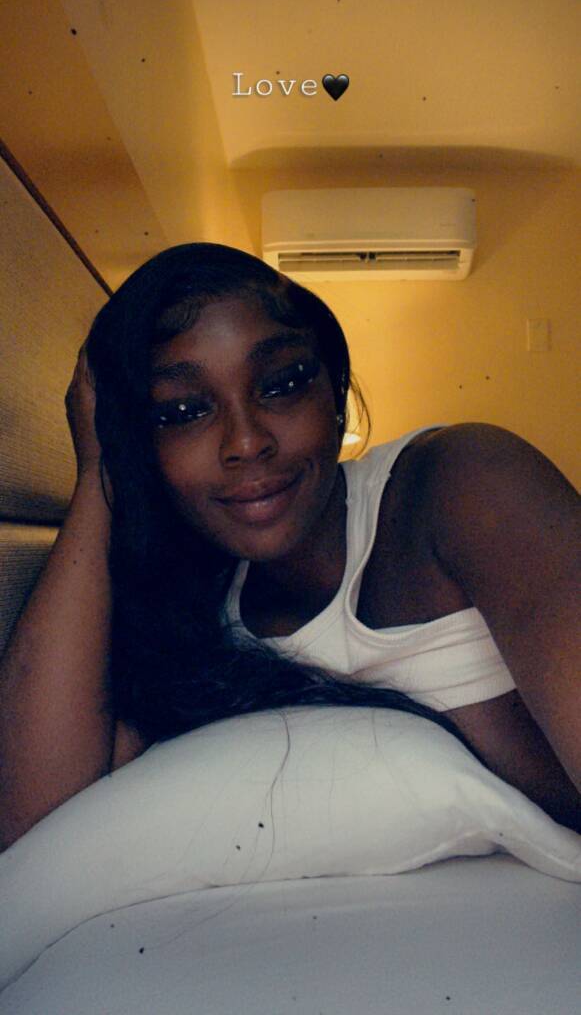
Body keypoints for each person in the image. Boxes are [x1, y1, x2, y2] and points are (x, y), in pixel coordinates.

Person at [1, 243, 579, 851]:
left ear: (335, 395)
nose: (247, 442)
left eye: (282, 385)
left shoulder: (463, 484)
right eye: (183, 411)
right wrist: (99, 472)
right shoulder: (193, 620)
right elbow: (33, 825)